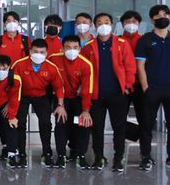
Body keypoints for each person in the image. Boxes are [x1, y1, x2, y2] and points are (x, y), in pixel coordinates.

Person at [82, 13, 136, 171]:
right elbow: (84, 70)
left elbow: (130, 66)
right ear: (95, 26)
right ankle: (99, 157)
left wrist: (127, 86)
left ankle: (118, 158)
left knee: (119, 128)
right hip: (96, 95)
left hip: (117, 94)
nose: (103, 25)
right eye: (99, 22)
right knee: (97, 128)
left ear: (112, 24)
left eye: (106, 22)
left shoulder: (122, 43)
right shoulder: (89, 46)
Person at [12, 39, 65, 168]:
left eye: (42, 52)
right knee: (20, 123)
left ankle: (46, 152)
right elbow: (12, 86)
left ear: (47, 53)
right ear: (30, 51)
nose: (38, 54)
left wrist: (60, 105)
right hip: (22, 96)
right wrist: (11, 104)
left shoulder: (51, 68)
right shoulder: (19, 65)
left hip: (41, 96)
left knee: (45, 123)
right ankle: (22, 153)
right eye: (35, 51)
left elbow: (59, 87)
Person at [48, 36, 95, 169]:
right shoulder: (53, 59)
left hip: (78, 100)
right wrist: (59, 105)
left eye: (75, 48)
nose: (71, 50)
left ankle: (80, 155)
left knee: (82, 125)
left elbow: (87, 89)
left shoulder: (86, 64)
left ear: (80, 49)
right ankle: (61, 156)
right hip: (60, 100)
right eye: (68, 47)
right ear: (62, 48)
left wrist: (86, 111)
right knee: (61, 124)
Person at [136, 4, 170, 171]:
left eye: (165, 14)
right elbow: (140, 65)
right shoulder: (145, 40)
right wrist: (145, 87)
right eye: (158, 15)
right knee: (147, 125)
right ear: (152, 19)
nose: (162, 17)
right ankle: (146, 157)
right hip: (152, 89)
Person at [120, 10, 144, 143]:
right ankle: (121, 149)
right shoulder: (117, 40)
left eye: (134, 21)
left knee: (144, 118)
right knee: (119, 119)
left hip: (140, 84)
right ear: (122, 24)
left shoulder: (144, 40)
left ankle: (144, 152)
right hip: (122, 85)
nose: (131, 24)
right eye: (127, 21)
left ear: (139, 23)